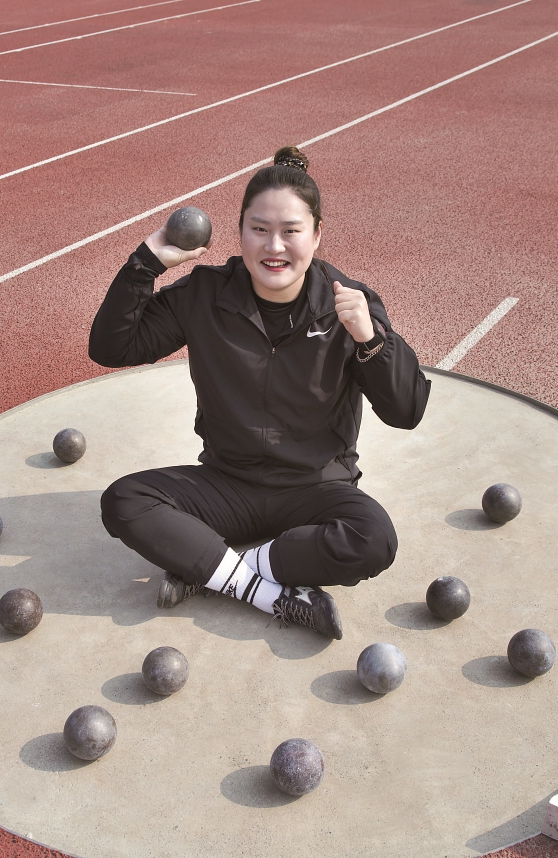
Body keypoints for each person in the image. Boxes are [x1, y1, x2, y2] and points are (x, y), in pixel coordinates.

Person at [89, 146, 430, 641]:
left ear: (316, 235)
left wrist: (371, 341)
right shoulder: (205, 293)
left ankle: (221, 570)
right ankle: (266, 593)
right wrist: (145, 263)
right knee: (125, 500)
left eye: (292, 231)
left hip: (317, 489)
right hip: (229, 485)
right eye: (259, 229)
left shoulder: (348, 302)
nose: (275, 247)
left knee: (373, 540)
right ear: (241, 232)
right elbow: (112, 347)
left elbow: (407, 410)